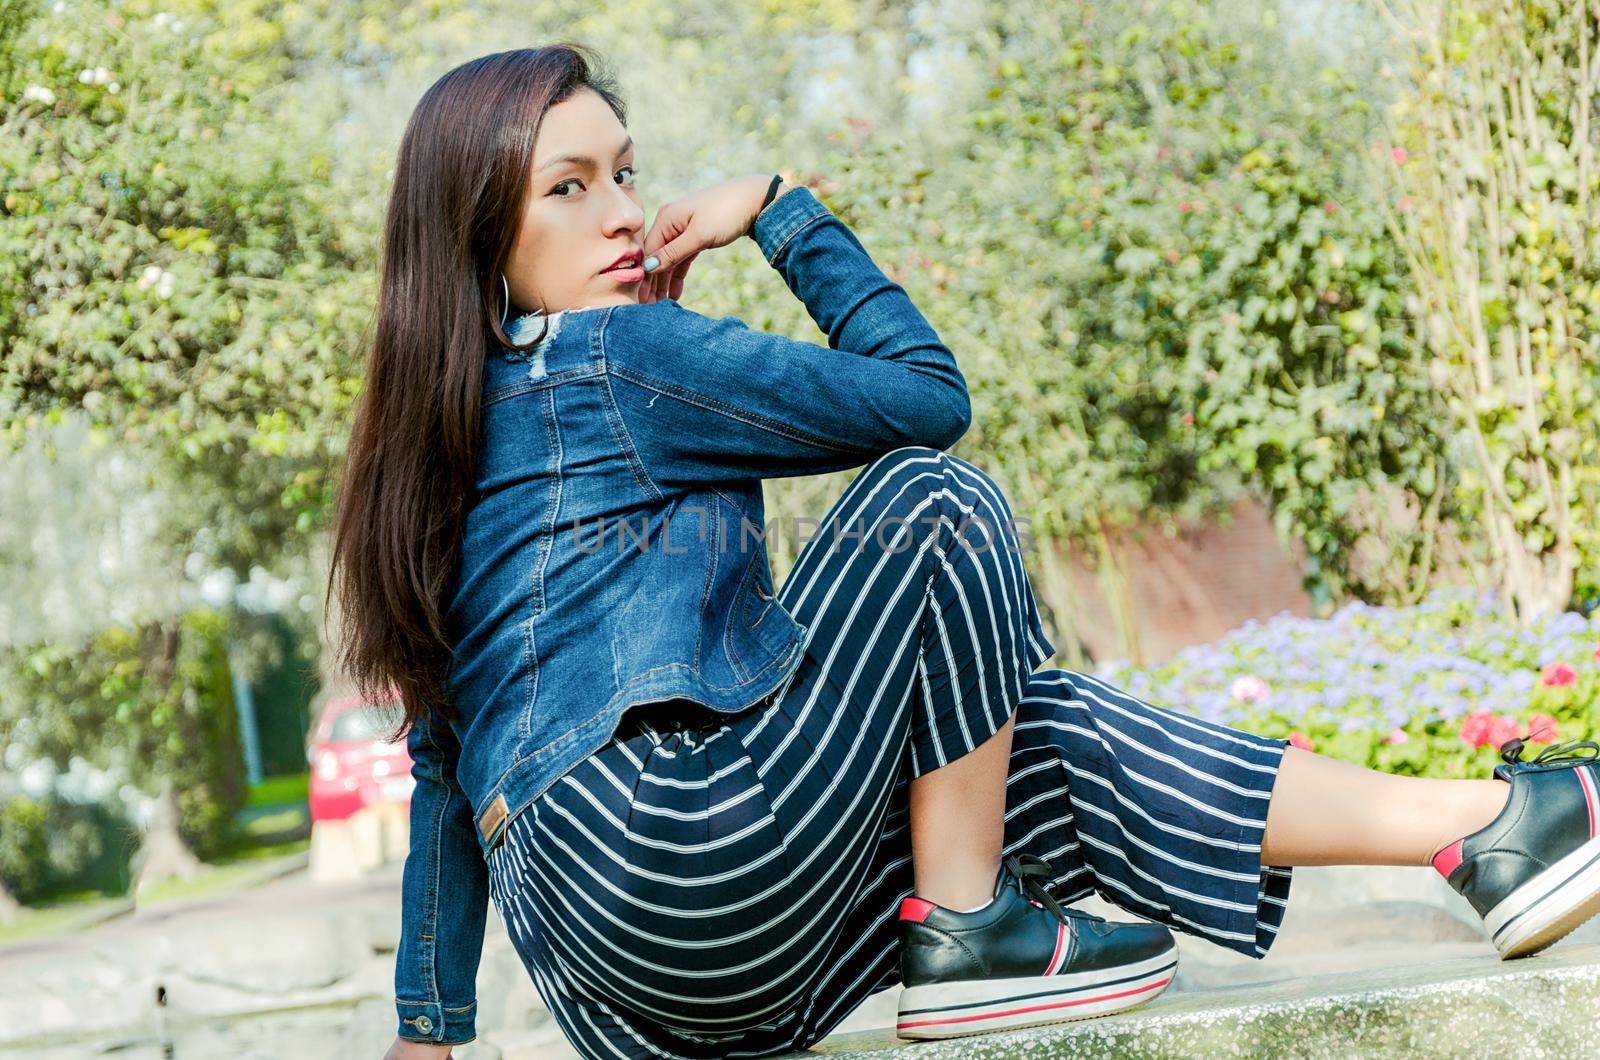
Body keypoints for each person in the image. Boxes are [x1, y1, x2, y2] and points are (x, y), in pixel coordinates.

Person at [325, 43, 1600, 1060]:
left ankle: (1484, 832)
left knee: (1013, 736)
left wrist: (427, 1034)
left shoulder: (440, 453)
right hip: (679, 844)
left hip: (635, 987)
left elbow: (446, 776)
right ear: (482, 237)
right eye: (569, 186)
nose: (623, 212)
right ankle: (969, 934)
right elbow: (926, 395)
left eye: (624, 172)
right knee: (936, 501)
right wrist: (777, 209)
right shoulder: (614, 358)